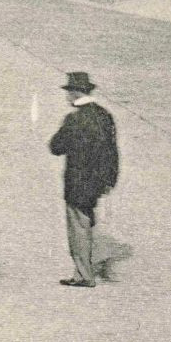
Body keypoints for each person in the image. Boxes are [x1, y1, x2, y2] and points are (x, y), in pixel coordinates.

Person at [49, 71, 119, 288]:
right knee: (87, 222)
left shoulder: (74, 119)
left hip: (77, 183)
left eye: (68, 92)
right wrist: (109, 179)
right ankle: (82, 272)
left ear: (74, 93)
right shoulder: (104, 116)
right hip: (97, 182)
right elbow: (112, 151)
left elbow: (55, 147)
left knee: (78, 228)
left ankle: (84, 275)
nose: (66, 97)